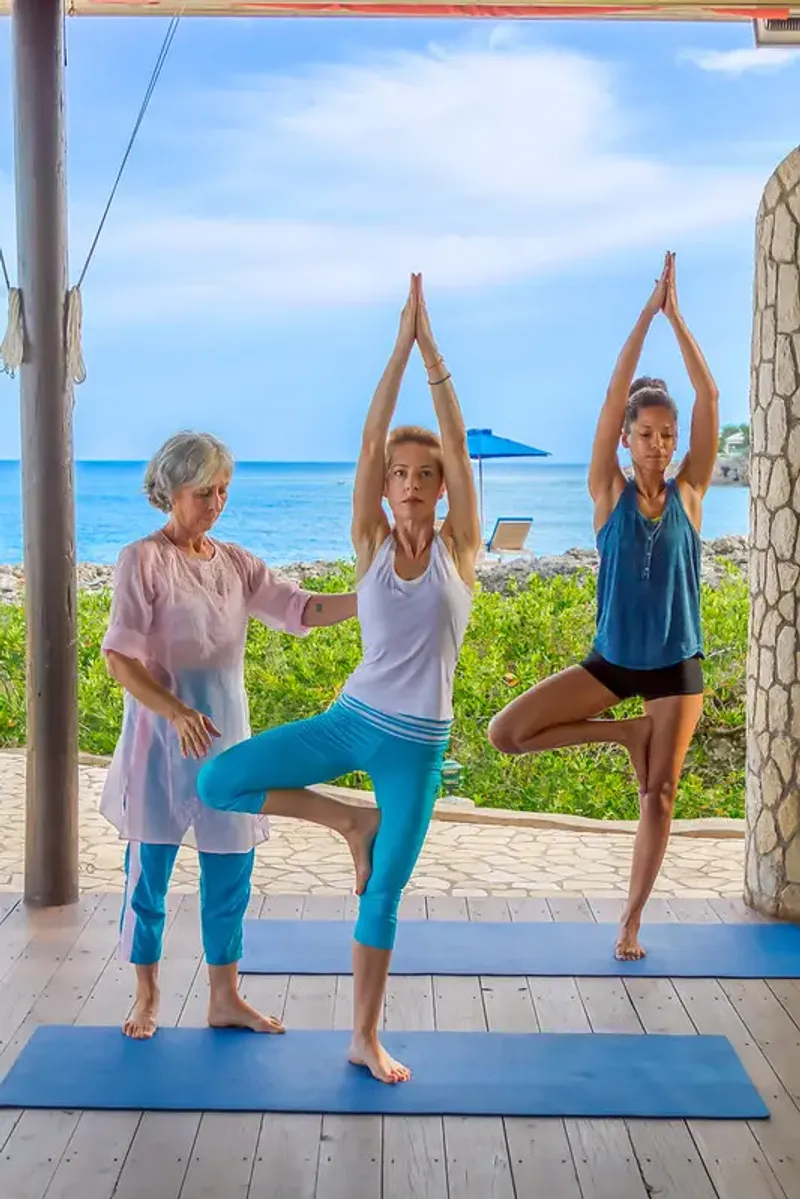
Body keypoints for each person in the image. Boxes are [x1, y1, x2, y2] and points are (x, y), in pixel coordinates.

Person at [197, 273, 482, 1083]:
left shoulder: (460, 555)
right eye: (401, 475)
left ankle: (364, 1035)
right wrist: (396, 349)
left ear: (438, 488)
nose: (412, 483)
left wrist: (435, 358)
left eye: (424, 476)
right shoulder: (370, 542)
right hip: (350, 720)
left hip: (416, 747)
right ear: (387, 488)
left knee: (382, 897)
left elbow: (459, 450)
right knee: (219, 778)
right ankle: (344, 823)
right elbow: (367, 445)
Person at [487, 252, 719, 961]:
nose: (658, 442)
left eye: (666, 434)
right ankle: (621, 735)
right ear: (626, 439)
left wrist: (678, 322)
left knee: (661, 795)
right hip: (614, 662)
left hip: (677, 665)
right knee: (508, 731)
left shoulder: (690, 493)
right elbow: (612, 393)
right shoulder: (607, 494)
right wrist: (643, 317)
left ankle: (630, 920)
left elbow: (709, 397)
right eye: (645, 433)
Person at [101, 431, 370, 1040]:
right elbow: (120, 658)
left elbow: (301, 607)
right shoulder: (141, 560)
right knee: (148, 880)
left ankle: (225, 997)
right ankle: (146, 996)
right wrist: (174, 711)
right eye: (204, 492)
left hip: (225, 744)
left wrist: (372, 600)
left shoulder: (237, 563)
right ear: (170, 492)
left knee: (230, 874)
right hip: (159, 747)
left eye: (224, 490)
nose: (217, 503)